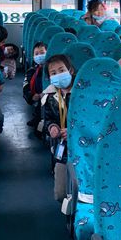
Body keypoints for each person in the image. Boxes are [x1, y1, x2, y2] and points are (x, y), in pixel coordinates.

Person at [41, 54, 75, 200]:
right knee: (60, 194)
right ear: (49, 78)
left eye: (62, 70)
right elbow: (48, 119)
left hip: (83, 145)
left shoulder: (83, 93)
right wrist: (52, 127)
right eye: (53, 73)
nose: (58, 75)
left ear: (70, 70)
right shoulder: (50, 96)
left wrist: (74, 132)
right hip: (62, 147)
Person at [23, 42, 47, 131]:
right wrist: (31, 96)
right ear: (33, 57)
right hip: (37, 97)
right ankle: (37, 118)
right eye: (36, 54)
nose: (39, 56)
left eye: (42, 53)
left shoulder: (52, 70)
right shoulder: (32, 71)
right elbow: (26, 86)